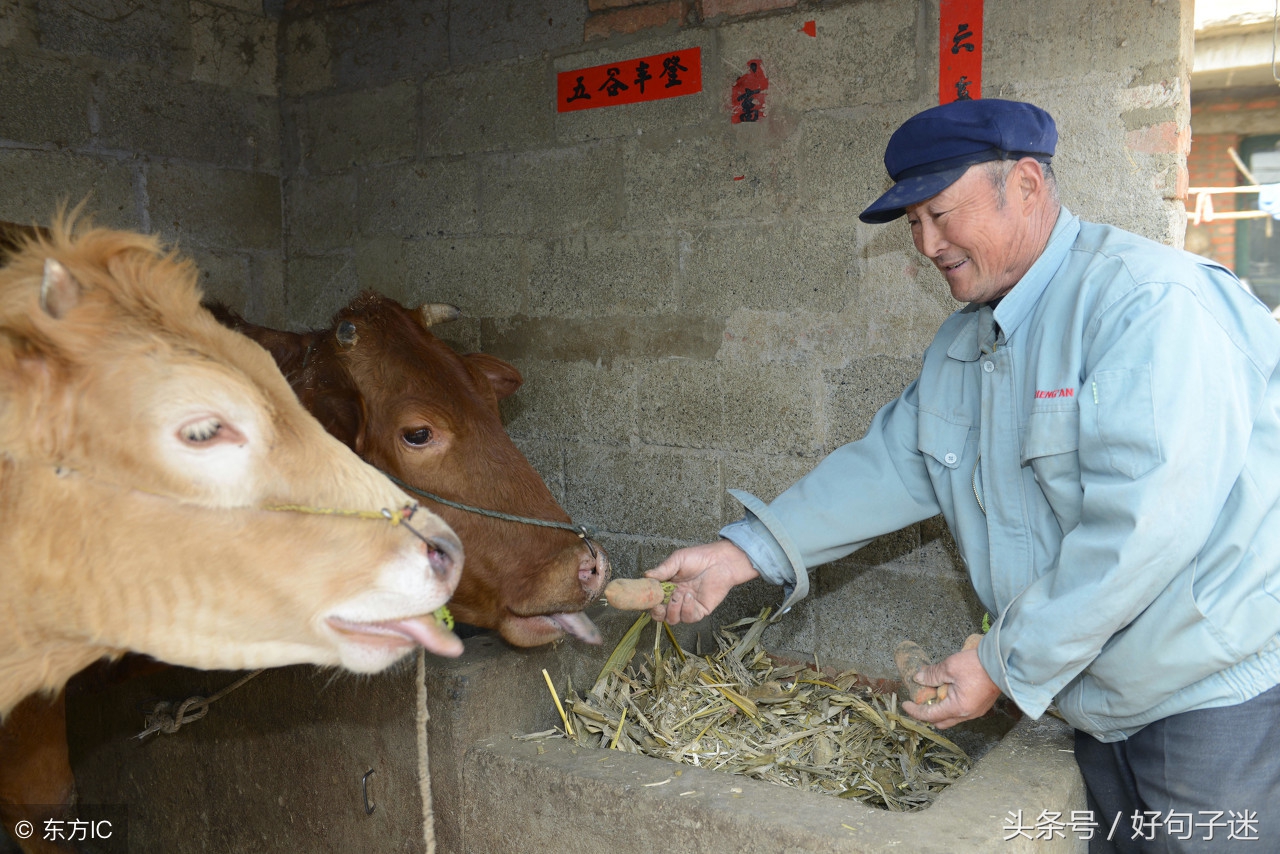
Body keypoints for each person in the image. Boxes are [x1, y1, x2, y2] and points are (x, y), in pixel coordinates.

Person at [645, 98, 1280, 852]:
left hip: (1205, 701)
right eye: (914, 221)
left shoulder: (1145, 306)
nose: (927, 242)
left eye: (942, 213)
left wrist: (1000, 663)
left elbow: (1144, 529)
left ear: (1029, 185)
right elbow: (893, 463)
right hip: (1095, 694)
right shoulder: (967, 344)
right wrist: (743, 553)